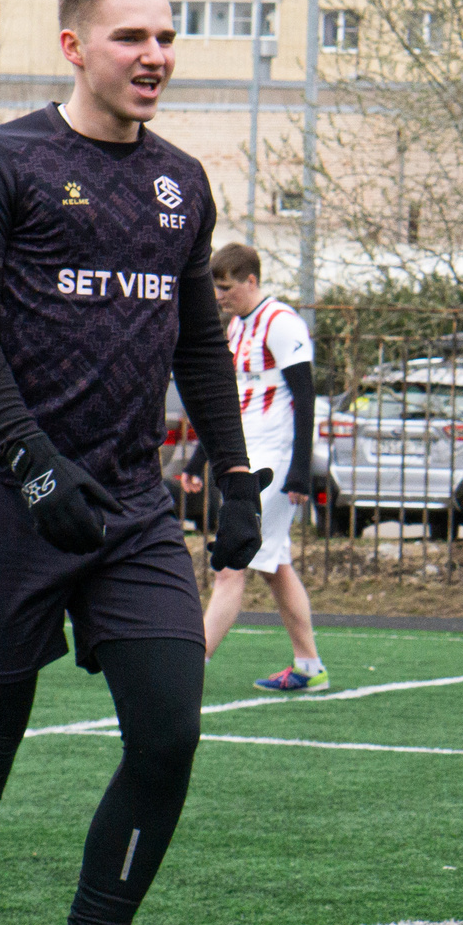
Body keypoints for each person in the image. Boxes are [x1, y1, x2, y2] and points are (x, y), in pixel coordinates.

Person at [0, 0, 263, 925]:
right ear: (75, 46)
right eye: (131, 38)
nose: (154, 56)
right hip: (2, 502)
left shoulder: (180, 184)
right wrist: (30, 467)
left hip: (126, 509)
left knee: (168, 732)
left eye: (166, 36)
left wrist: (240, 480)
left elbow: (198, 343)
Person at [182, 243, 326, 691]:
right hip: (251, 456)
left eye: (226, 288)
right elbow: (227, 403)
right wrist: (198, 458)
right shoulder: (238, 328)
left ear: (251, 281)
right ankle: (308, 666)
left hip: (277, 460)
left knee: (232, 562)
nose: (220, 296)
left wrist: (300, 469)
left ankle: (190, 665)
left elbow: (305, 397)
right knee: (272, 563)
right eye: (215, 288)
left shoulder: (282, 323)